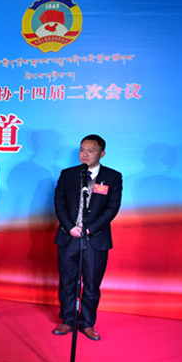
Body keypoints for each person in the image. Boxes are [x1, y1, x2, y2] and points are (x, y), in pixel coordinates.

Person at [52, 134, 122, 341]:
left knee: (91, 285)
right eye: (82, 150)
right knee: (67, 282)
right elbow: (59, 203)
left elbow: (112, 208)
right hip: (69, 237)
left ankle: (88, 323)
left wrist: (89, 229)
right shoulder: (68, 174)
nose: (85, 154)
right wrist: (70, 227)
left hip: (95, 239)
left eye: (90, 151)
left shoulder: (113, 177)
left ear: (102, 153)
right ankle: (67, 319)